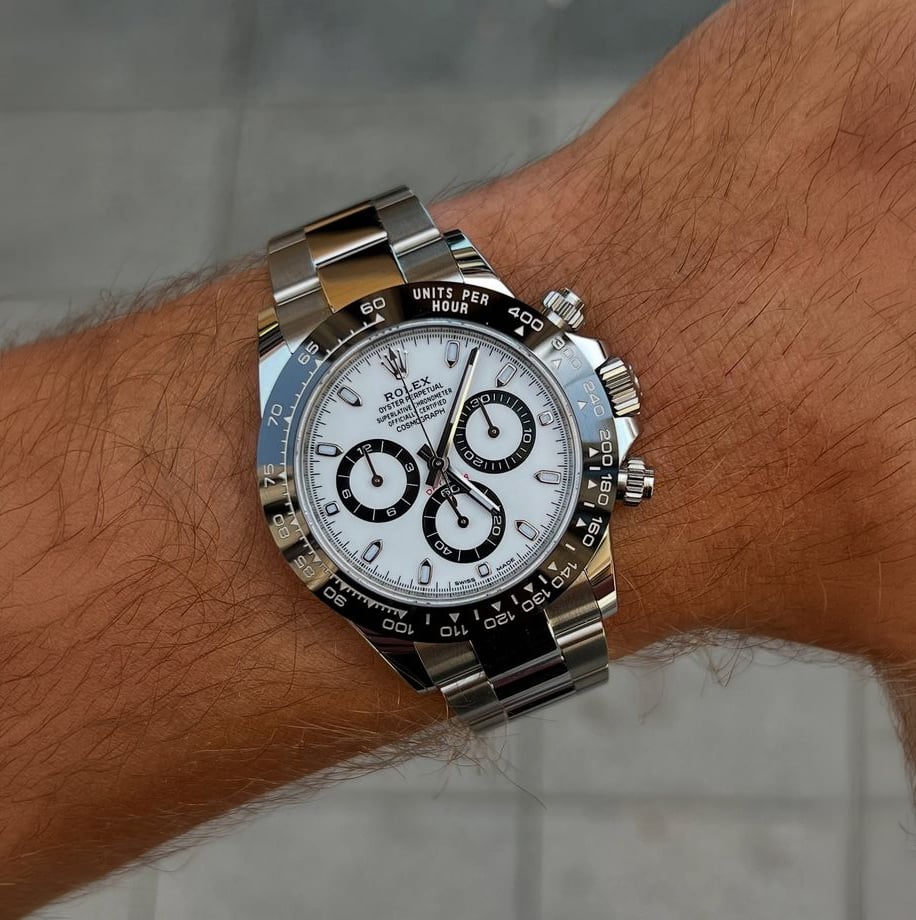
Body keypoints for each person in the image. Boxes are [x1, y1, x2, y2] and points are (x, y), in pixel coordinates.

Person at [2, 0, 916, 915]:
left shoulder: (537, 412)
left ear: (598, 392)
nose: (439, 472)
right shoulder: (327, 430)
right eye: (410, 470)